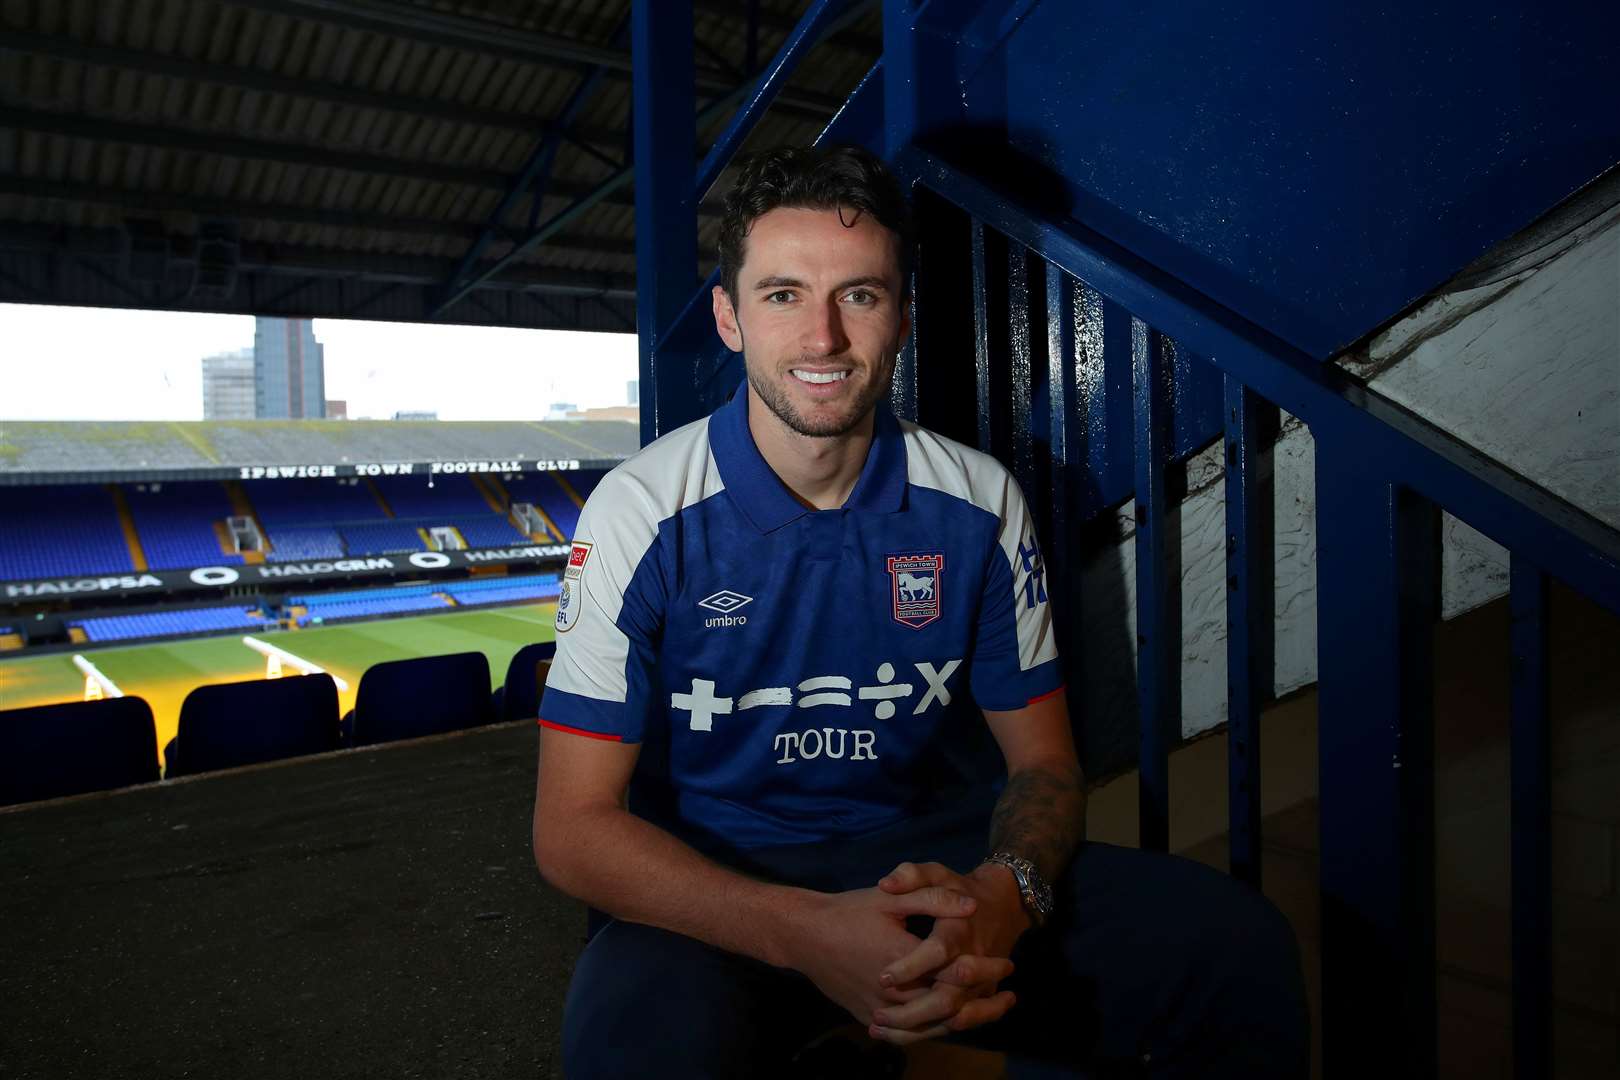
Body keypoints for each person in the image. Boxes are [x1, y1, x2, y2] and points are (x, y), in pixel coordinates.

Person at [533, 144, 1307, 1078]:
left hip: (934, 865)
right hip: (722, 880)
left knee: (1233, 948)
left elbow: (1045, 765)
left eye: (858, 295)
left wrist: (1003, 896)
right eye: (782, 295)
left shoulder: (978, 503)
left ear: (902, 316)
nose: (822, 338)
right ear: (729, 319)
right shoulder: (639, 511)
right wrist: (807, 933)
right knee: (633, 1052)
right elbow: (572, 830)